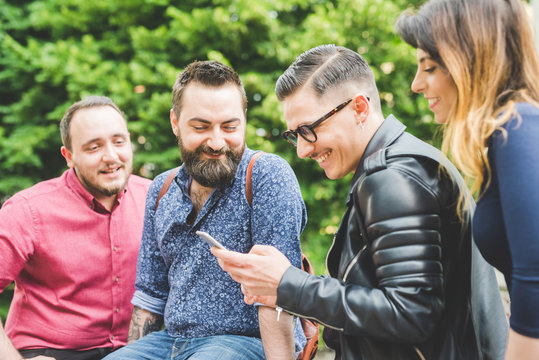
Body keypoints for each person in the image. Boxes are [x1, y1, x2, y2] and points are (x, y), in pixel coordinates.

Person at [213, 44, 508, 359]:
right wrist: (286, 282)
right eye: (294, 135)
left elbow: (409, 313)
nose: (302, 149)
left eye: (308, 130)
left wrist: (291, 285)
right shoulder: (398, 164)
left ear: (359, 108)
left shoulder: (391, 177)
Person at [104, 60, 307, 360]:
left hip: (247, 342)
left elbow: (277, 293)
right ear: (175, 122)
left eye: (229, 126)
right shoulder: (161, 189)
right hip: (171, 343)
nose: (216, 142)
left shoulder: (266, 175)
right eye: (200, 127)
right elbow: (151, 295)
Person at [395, 0, 539, 358]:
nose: (416, 84)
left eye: (428, 67)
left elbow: (534, 275)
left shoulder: (516, 127)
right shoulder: (506, 135)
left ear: (471, 61)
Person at [0, 95, 152, 360]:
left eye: (119, 142)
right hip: (48, 352)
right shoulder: (27, 210)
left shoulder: (156, 199)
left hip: (134, 352)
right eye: (94, 147)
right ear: (68, 156)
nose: (111, 156)